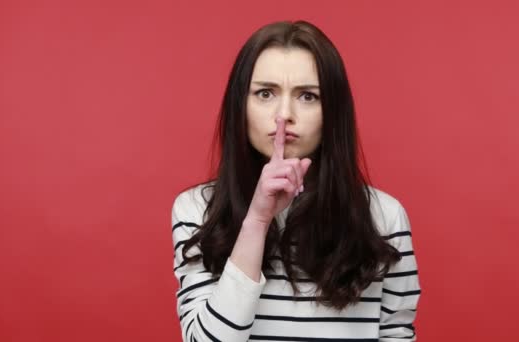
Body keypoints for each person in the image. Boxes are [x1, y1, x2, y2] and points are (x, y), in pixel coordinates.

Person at [171, 20, 420, 341]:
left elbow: (395, 334)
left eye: (307, 96)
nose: (284, 113)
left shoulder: (384, 217)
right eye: (265, 93)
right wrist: (257, 222)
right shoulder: (197, 209)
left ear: (333, 110)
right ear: (240, 106)